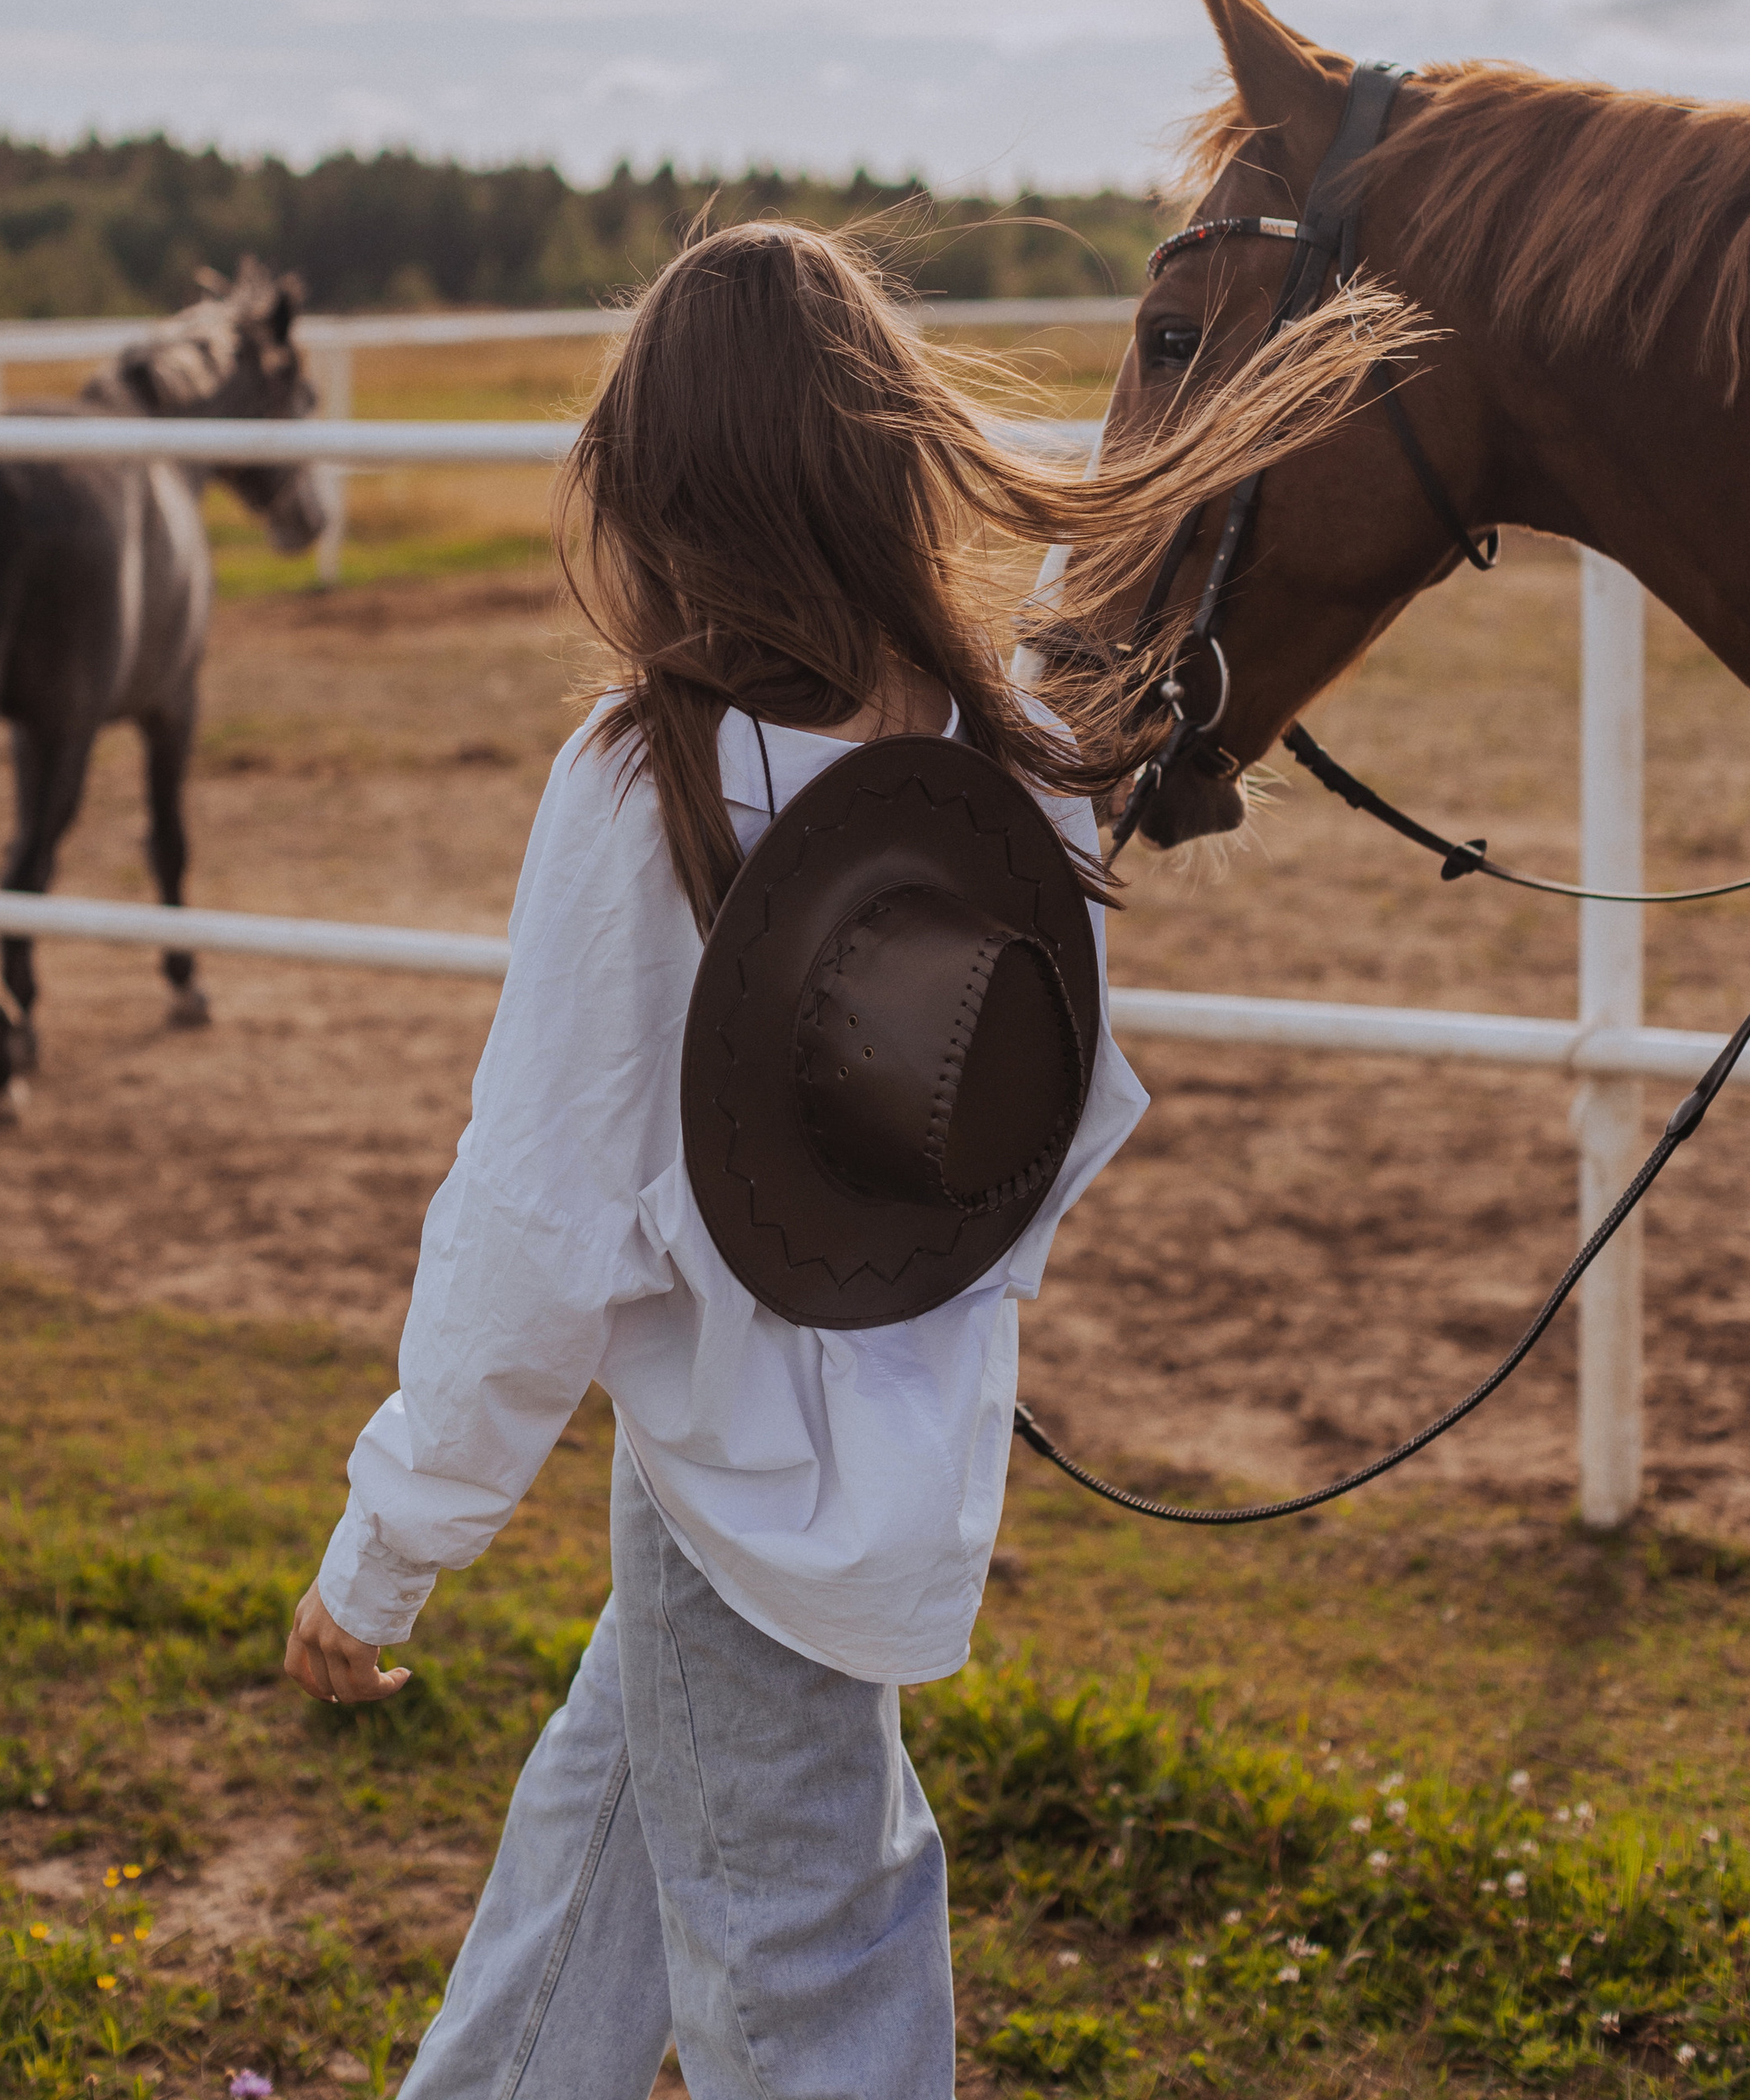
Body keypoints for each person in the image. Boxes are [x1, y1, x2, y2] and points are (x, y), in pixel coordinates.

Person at [281, 217, 1382, 2098]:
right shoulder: (1013, 758)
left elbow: (536, 1224)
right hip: (880, 1443)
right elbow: (1049, 1109)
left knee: (813, 1957)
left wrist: (384, 1552)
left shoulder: (649, 780)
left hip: (737, 1478)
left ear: (663, 492)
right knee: (612, 1830)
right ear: (883, 459)